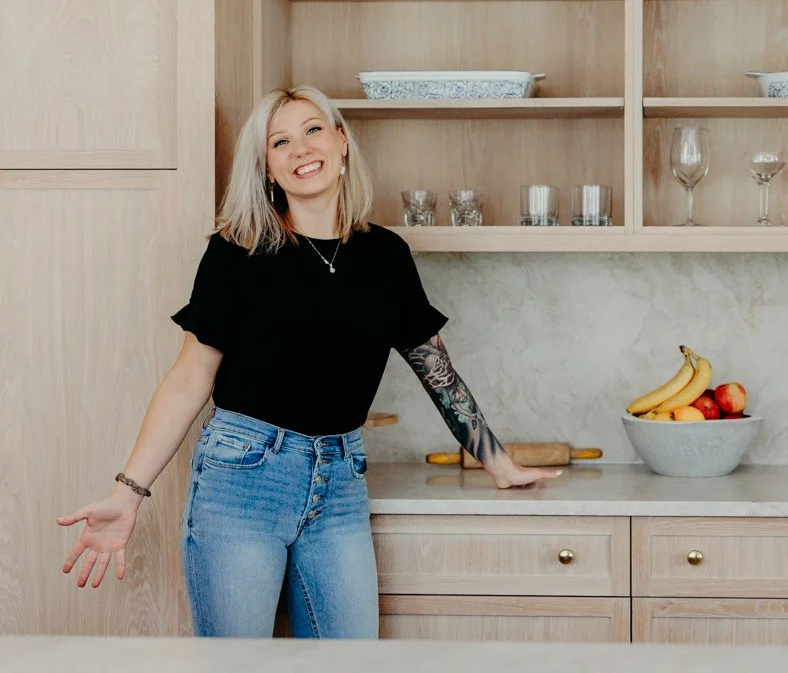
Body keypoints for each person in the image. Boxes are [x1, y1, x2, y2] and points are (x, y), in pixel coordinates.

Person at [56, 84, 561, 638]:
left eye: (313, 130)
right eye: (280, 142)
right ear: (268, 169)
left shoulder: (386, 256)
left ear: (342, 144)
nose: (301, 149)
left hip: (340, 479)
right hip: (242, 477)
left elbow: (435, 369)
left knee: (347, 661)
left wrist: (497, 461)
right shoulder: (237, 251)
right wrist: (128, 494)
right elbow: (188, 379)